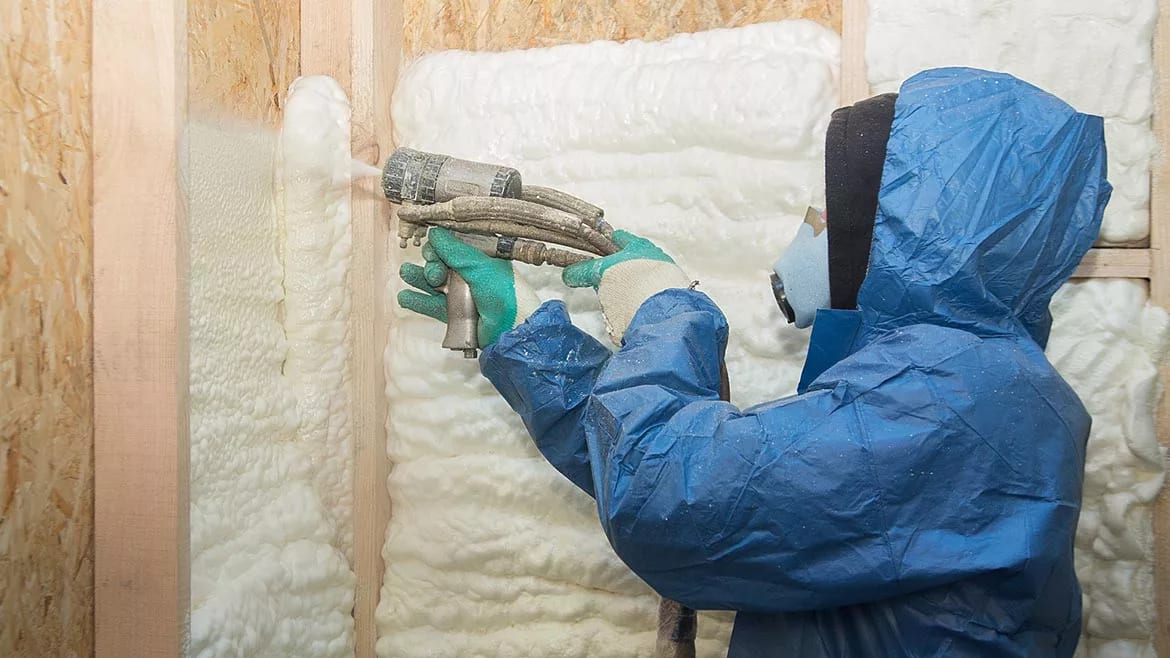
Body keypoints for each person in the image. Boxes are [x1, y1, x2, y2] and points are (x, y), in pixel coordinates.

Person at [398, 67, 1111, 657]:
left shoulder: (956, 395)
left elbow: (675, 505)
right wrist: (528, 338)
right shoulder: (955, 381)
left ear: (900, 233)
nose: (812, 226)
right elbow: (727, 492)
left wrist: (665, 309)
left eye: (826, 208)